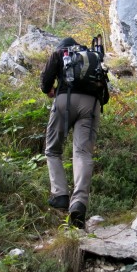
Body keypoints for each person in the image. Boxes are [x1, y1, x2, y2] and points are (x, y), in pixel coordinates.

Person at [40, 37, 109, 229]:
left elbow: (45, 82)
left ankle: (60, 194)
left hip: (65, 101)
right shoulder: (92, 57)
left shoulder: (60, 53)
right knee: (82, 153)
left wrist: (50, 90)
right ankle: (79, 203)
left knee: (53, 150)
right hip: (91, 105)